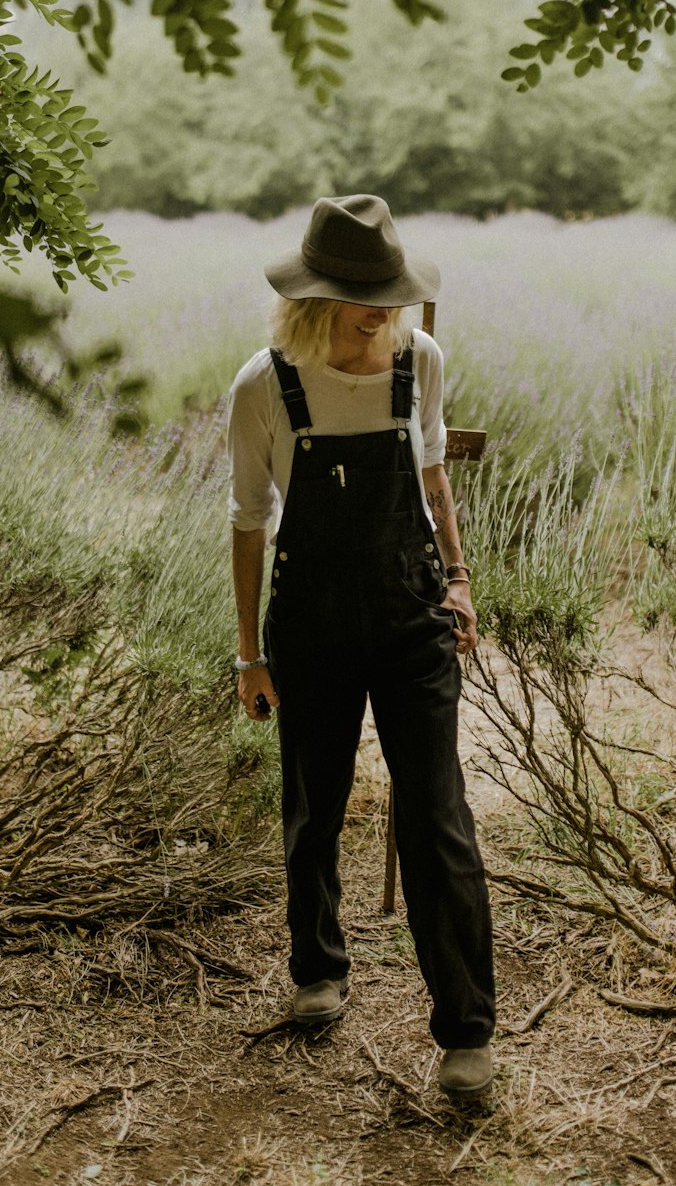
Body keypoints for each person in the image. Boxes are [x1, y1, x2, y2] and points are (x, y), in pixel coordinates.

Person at [226, 194, 495, 1098]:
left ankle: (466, 1032)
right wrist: (247, 654)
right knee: (315, 804)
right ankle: (319, 971)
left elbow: (431, 479)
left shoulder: (421, 361)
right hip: (308, 621)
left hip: (412, 613)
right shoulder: (265, 385)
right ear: (314, 299)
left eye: (389, 292)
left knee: (436, 815)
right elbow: (249, 525)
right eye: (361, 296)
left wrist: (457, 578)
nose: (384, 311)